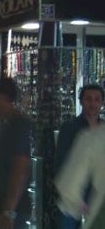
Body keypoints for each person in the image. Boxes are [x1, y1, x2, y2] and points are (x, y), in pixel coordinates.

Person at [0, 78, 32, 229]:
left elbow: (20, 169)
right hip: (1, 210)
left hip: (10, 213)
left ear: (2, 96)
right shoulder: (9, 124)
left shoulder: (18, 126)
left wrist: (8, 212)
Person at [55, 84, 103, 228]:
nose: (92, 103)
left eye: (97, 99)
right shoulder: (70, 128)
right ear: (81, 101)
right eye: (88, 99)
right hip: (72, 201)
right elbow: (61, 162)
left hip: (96, 198)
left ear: (102, 102)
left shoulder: (102, 131)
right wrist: (74, 197)